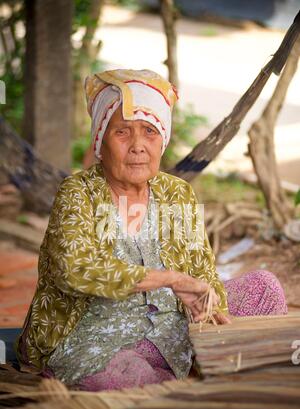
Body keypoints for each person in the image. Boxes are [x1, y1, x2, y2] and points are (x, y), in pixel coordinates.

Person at [16, 69, 287, 391]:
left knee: (264, 288)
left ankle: (194, 375)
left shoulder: (176, 192)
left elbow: (202, 270)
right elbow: (75, 270)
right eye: (122, 133)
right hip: (96, 336)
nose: (138, 146)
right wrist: (171, 280)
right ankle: (181, 388)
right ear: (100, 141)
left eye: (149, 131)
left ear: (163, 140)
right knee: (130, 381)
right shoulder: (78, 192)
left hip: (172, 327)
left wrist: (212, 311)